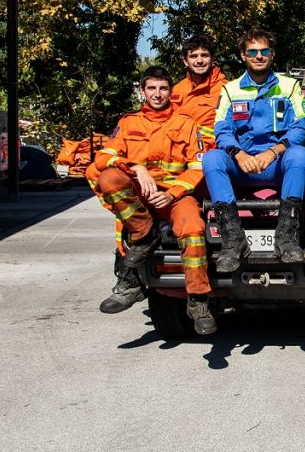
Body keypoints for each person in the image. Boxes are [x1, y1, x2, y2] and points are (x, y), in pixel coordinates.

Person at [86, 66, 216, 334]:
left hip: (176, 196)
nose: (157, 94)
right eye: (152, 88)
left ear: (171, 92)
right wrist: (135, 167)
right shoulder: (129, 123)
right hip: (142, 198)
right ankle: (143, 238)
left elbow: (197, 166)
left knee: (192, 229)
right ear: (142, 91)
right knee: (107, 178)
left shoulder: (186, 124)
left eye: (163, 88)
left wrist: (171, 193)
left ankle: (198, 301)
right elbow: (103, 157)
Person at [202, 29, 305, 269]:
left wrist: (271, 153)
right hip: (243, 166)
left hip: (276, 165)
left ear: (272, 54)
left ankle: (286, 238)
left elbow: (300, 127)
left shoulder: (290, 86)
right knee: (212, 160)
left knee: (300, 154)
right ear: (243, 55)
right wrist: (239, 155)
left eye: (264, 51)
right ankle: (233, 241)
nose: (259, 56)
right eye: (252, 51)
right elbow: (222, 130)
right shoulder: (230, 90)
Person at [170, 34, 228, 152]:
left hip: (211, 153)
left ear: (212, 59)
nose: (199, 60)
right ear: (185, 61)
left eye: (204, 55)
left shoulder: (226, 89)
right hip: (178, 151)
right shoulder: (177, 89)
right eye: (194, 56)